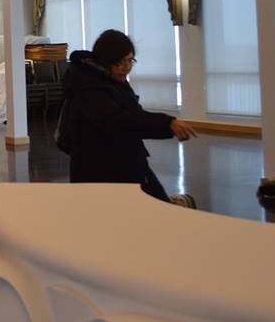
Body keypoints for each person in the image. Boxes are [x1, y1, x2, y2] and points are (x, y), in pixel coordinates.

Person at [61, 29, 197, 203]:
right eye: (120, 62)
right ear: (105, 60)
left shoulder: (112, 80)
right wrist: (166, 124)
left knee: (154, 205)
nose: (126, 67)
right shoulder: (88, 86)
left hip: (124, 161)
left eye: (130, 60)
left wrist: (167, 124)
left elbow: (135, 115)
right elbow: (117, 121)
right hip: (99, 169)